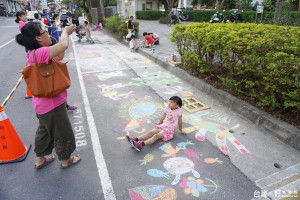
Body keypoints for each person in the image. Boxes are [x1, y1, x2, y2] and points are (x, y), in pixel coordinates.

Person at [15, 22, 81, 169]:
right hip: (53, 105)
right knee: (63, 132)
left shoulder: (35, 52)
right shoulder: (40, 53)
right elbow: (63, 46)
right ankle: (66, 160)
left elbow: (59, 55)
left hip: (41, 105)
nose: (47, 32)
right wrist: (65, 31)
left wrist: (54, 40)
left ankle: (40, 159)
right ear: (38, 38)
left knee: (44, 132)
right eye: (44, 31)